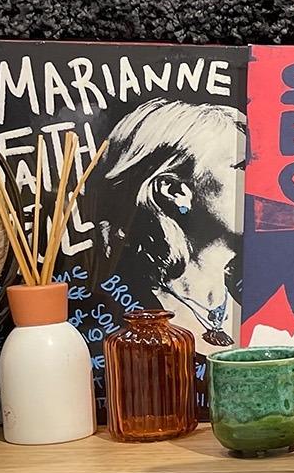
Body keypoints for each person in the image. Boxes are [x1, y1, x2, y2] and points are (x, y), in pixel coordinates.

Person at [85, 99, 247, 350]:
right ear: (174, 191)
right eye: (243, 166)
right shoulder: (124, 316)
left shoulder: (264, 301)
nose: (264, 182)